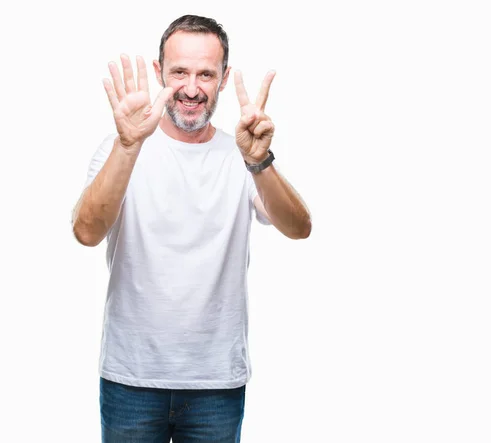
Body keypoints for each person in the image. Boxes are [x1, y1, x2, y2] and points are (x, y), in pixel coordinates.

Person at [71, 14, 311, 443]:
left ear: (223, 80)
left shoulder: (241, 154)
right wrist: (128, 145)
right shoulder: (120, 149)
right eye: (179, 71)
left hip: (216, 384)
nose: (192, 87)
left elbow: (299, 227)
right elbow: (87, 232)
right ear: (158, 71)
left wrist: (259, 161)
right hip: (131, 379)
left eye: (206, 74)